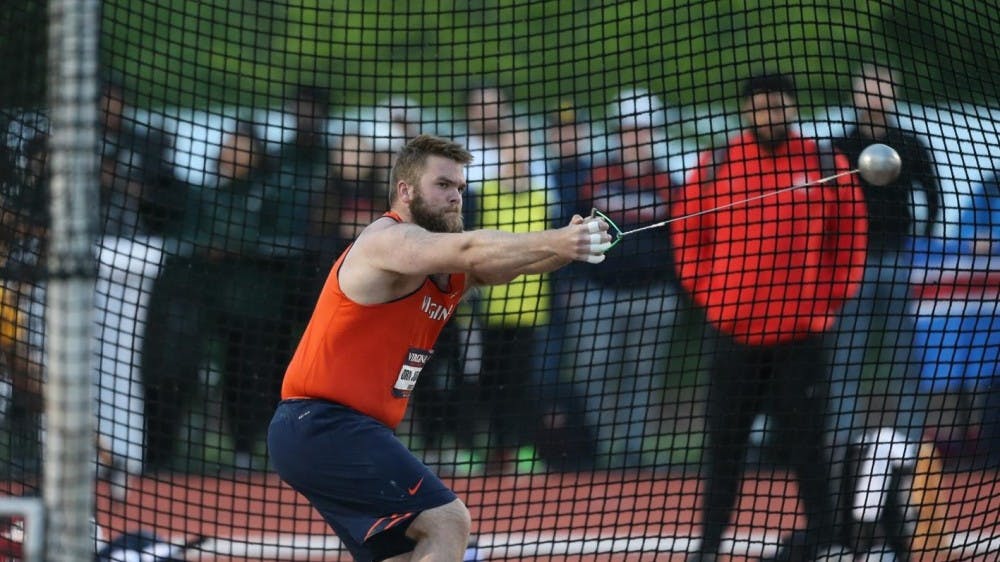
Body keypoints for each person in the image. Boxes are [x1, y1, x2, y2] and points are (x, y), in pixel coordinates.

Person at [267, 134, 612, 562]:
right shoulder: (387, 240)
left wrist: (573, 245)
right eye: (443, 185)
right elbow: (470, 247)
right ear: (405, 190)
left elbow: (507, 263)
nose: (455, 197)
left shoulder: (445, 268)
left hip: (339, 431)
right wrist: (556, 239)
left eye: (460, 189)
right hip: (323, 425)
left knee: (406, 552)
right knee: (449, 522)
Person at [671, 73, 868, 562]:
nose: (770, 116)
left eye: (778, 107)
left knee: (808, 445)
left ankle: (826, 541)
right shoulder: (717, 165)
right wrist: (713, 297)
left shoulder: (826, 163)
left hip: (801, 337)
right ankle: (710, 545)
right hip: (733, 335)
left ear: (792, 108)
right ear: (747, 112)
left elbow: (852, 238)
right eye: (760, 109)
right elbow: (686, 236)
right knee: (724, 445)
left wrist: (828, 300)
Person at [142, 121, 286, 473]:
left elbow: (277, 239)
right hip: (200, 302)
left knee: (249, 377)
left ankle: (247, 450)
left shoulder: (268, 191)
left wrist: (235, 248)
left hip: (251, 304)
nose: (232, 153)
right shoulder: (205, 192)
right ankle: (163, 452)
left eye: (242, 147)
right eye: (229, 145)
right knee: (177, 372)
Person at [563, 87, 679, 469]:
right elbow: (573, 230)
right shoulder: (595, 177)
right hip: (599, 292)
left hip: (653, 295)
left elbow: (678, 240)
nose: (636, 138)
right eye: (629, 130)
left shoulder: (668, 182)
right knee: (594, 371)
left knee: (642, 375)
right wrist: (575, 284)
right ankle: (596, 448)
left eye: (643, 130)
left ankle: (632, 452)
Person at [827, 63, 942, 450]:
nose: (875, 95)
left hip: (898, 260)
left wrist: (921, 248)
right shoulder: (840, 147)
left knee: (905, 358)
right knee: (845, 357)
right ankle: (843, 443)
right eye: (867, 87)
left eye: (883, 87)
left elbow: (933, 195)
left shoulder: (909, 144)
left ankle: (908, 444)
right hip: (852, 266)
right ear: (854, 94)